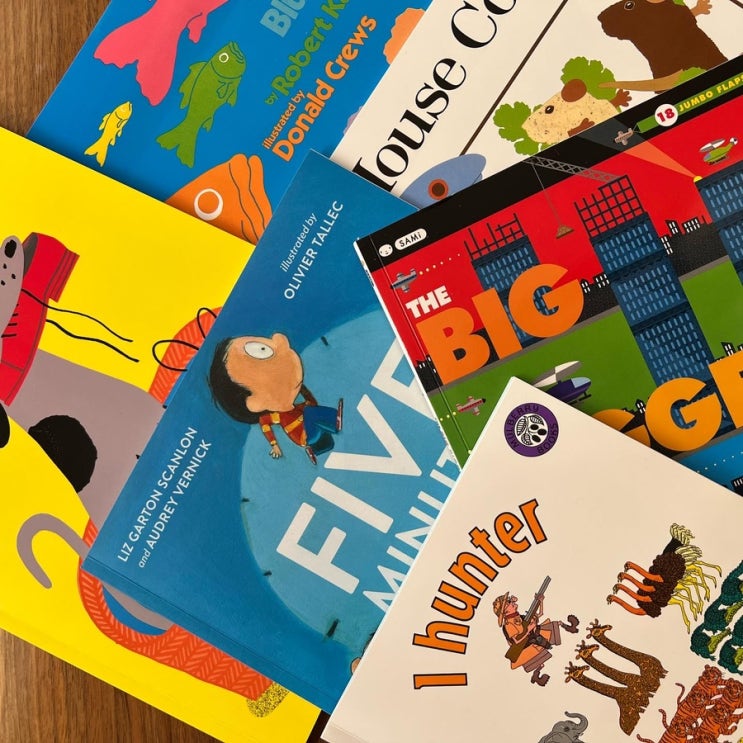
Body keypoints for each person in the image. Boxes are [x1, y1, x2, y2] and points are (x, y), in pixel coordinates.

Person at [208, 332, 342, 464]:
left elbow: (311, 403)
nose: (281, 339)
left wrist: (303, 389)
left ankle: (316, 449)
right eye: (262, 350)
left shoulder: (296, 409)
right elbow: (264, 424)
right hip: (305, 435)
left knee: (318, 425)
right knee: (312, 413)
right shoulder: (276, 416)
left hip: (311, 434)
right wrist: (274, 445)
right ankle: (333, 418)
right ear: (256, 403)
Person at [492, 590, 579, 686]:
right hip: (527, 646)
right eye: (508, 602)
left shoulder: (519, 617)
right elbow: (516, 640)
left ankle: (569, 627)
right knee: (539, 661)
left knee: (555, 624)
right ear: (505, 611)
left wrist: (540, 601)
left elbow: (539, 614)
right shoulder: (508, 624)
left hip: (534, 635)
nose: (512, 602)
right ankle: (536, 675)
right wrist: (528, 629)